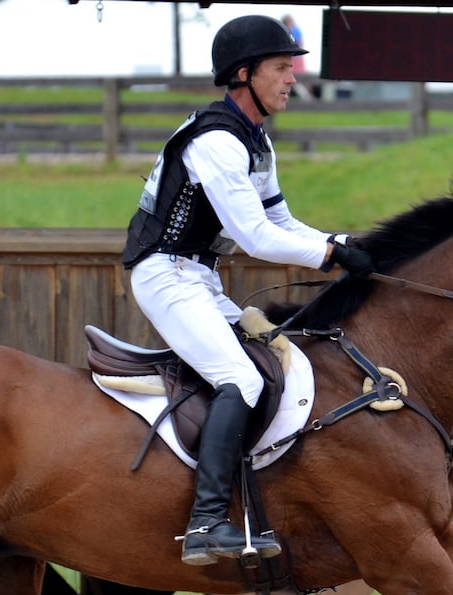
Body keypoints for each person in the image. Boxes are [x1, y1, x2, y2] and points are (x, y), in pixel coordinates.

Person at [120, 14, 374, 566]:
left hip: (198, 275)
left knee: (269, 362)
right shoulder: (217, 141)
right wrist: (330, 254)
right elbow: (254, 236)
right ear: (243, 74)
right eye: (282, 67)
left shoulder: (255, 141)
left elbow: (282, 219)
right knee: (238, 375)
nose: (293, 78)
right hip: (164, 274)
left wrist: (339, 240)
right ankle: (206, 522)